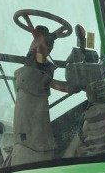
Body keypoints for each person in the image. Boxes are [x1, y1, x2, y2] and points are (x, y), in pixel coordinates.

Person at [10, 25, 71, 165]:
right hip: (34, 144)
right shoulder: (33, 73)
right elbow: (59, 85)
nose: (49, 47)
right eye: (47, 44)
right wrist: (76, 87)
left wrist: (55, 34)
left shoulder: (35, 67)